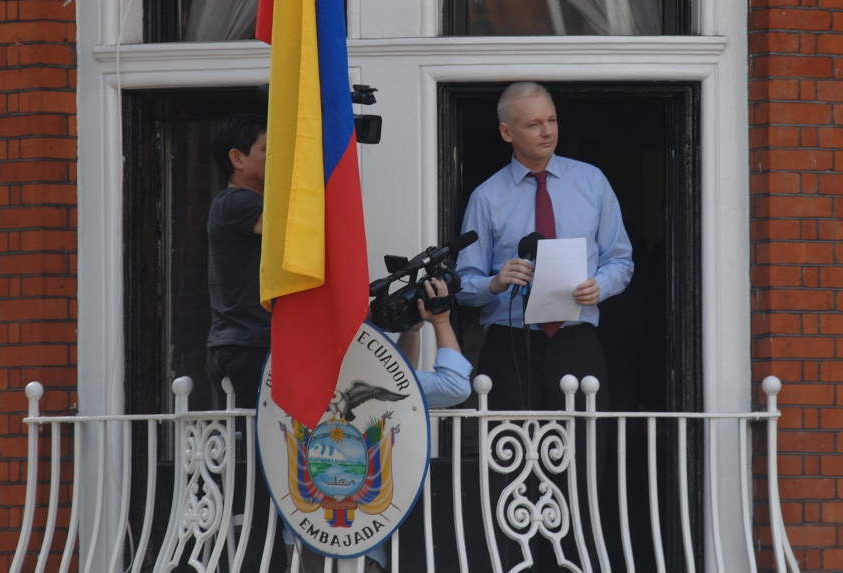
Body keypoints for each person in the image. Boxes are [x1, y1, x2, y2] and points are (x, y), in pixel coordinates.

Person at [455, 82, 633, 570]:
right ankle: (514, 563)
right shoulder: (487, 197)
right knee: (509, 464)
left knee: (583, 461)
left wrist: (602, 285)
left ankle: (576, 562)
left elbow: (622, 259)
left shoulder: (591, 182)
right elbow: (462, 282)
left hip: (577, 342)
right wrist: (494, 282)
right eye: (534, 124)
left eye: (552, 120)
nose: (548, 131)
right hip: (509, 347)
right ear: (507, 131)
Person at [286, 278, 473, 573]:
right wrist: (441, 321)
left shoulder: (293, 366)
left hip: (305, 528)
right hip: (360, 540)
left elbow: (398, 388)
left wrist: (410, 330)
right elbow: (455, 386)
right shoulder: (368, 375)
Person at [204, 111, 288, 573]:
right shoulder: (235, 203)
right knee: (262, 466)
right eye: (266, 150)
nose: (276, 159)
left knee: (275, 458)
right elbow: (290, 229)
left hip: (259, 346)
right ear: (237, 159)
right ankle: (257, 560)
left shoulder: (248, 201)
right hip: (247, 350)